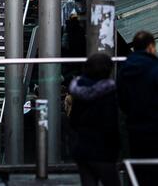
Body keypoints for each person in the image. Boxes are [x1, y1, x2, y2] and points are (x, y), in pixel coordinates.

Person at [68, 53, 121, 186]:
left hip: (83, 149)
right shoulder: (109, 92)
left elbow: (73, 121)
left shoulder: (78, 90)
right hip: (104, 151)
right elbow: (111, 125)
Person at [117, 30, 158, 176]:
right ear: (150, 47)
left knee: (138, 168)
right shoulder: (154, 67)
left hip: (133, 127)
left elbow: (121, 99)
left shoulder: (124, 69)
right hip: (154, 127)